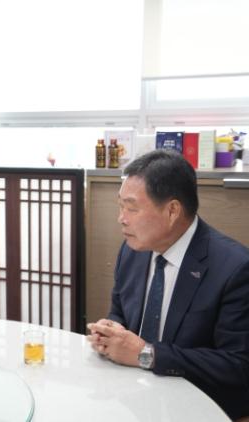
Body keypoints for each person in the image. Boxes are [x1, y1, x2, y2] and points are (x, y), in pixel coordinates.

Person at [86, 149, 249, 420]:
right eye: (120, 206)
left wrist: (146, 354)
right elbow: (120, 312)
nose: (121, 218)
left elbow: (237, 365)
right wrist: (111, 331)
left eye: (131, 208)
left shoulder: (235, 268)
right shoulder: (132, 250)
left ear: (172, 211)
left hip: (200, 406)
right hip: (133, 396)